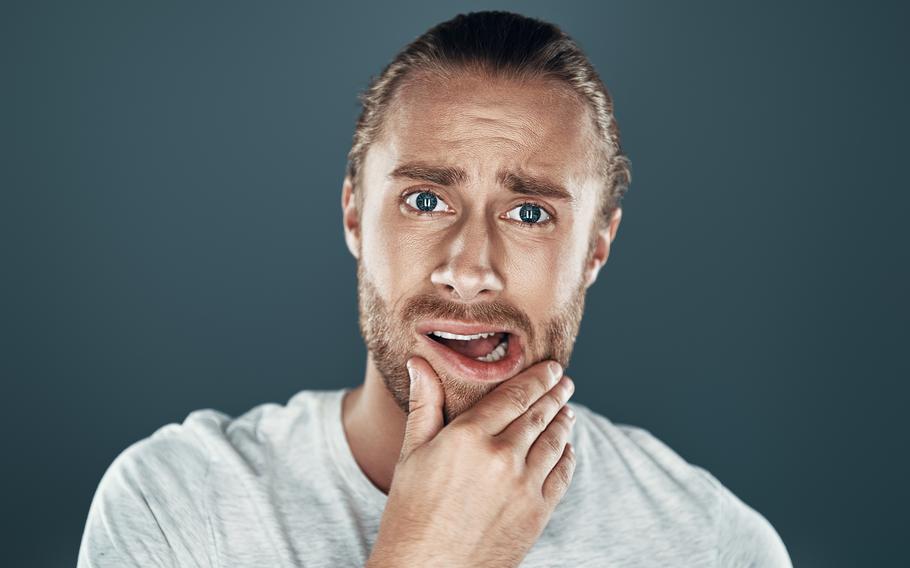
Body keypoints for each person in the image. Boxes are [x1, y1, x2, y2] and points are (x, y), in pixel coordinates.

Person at [78, 11, 792, 567]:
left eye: (530, 213)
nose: (469, 268)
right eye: (425, 201)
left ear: (596, 248)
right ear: (355, 215)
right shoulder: (177, 505)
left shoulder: (714, 544)